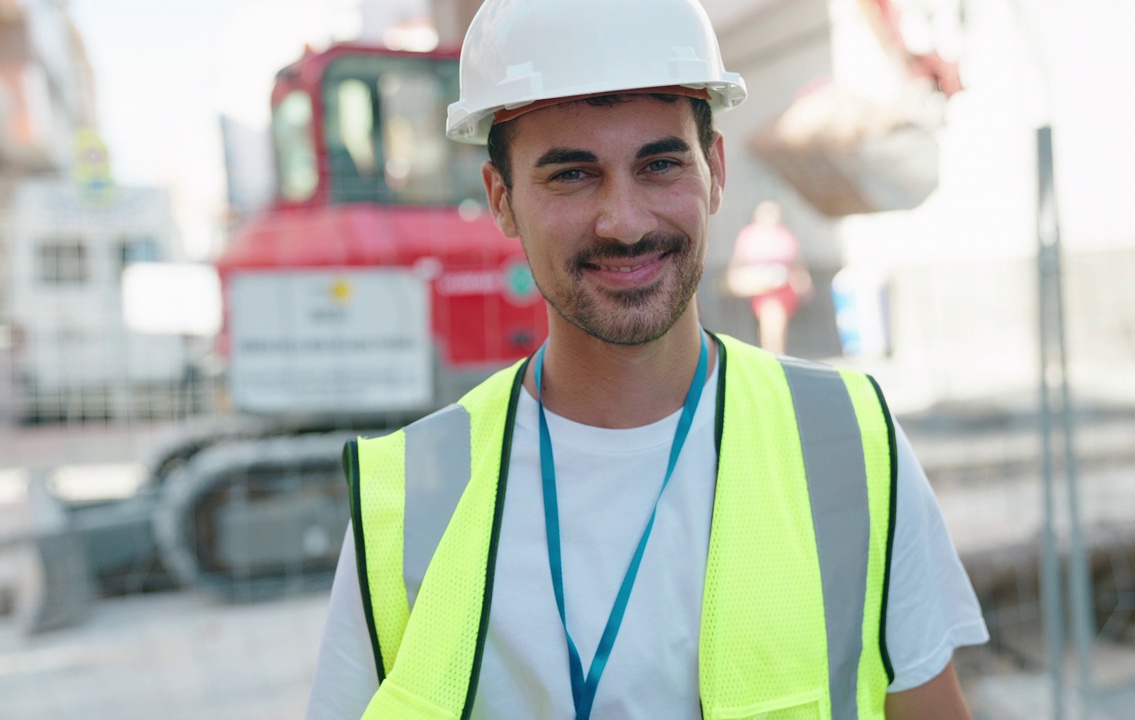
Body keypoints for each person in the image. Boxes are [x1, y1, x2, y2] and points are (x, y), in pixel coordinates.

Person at [307, 0, 987, 718]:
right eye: (571, 175)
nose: (625, 222)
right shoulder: (408, 499)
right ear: (501, 200)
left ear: (715, 170)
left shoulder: (852, 444)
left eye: (659, 165)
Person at [726, 200, 813, 354]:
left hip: (781, 289)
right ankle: (773, 354)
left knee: (773, 322)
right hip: (758, 287)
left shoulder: (784, 235)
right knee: (769, 324)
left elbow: (796, 263)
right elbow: (737, 263)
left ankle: (774, 354)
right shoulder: (749, 235)